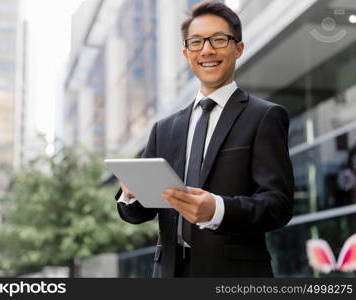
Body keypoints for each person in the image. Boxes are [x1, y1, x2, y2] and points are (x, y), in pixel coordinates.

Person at [114, 0, 294, 277]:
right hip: (169, 274)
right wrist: (130, 195)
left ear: (238, 48)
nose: (207, 50)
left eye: (219, 40)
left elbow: (278, 205)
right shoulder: (163, 129)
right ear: (187, 54)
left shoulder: (264, 116)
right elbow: (139, 214)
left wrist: (217, 210)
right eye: (196, 42)